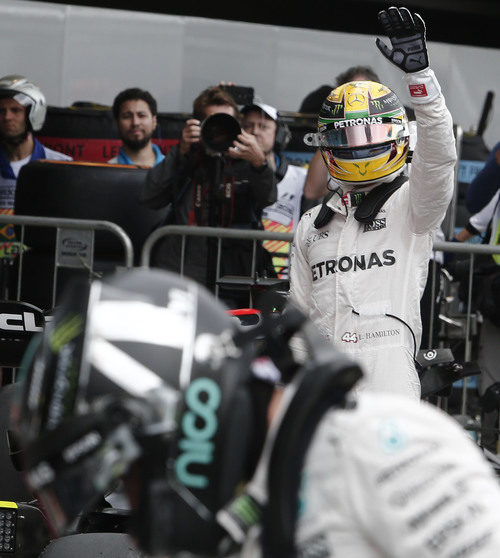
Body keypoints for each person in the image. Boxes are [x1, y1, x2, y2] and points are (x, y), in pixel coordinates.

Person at [11, 266, 500, 558]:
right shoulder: (241, 514)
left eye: (130, 480)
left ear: (183, 421)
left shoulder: (387, 450)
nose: (136, 517)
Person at [288, 6, 457, 400]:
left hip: (388, 376)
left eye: (372, 134)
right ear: (327, 144)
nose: (360, 146)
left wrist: (420, 79)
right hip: (321, 377)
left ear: (398, 134)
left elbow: (438, 158)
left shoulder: (412, 207)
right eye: (348, 138)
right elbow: (298, 319)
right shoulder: (312, 224)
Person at [140, 85, 277, 307]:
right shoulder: (185, 159)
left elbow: (268, 198)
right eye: (213, 124)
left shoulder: (247, 161)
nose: (220, 132)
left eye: (226, 124)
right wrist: (181, 152)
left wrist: (259, 163)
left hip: (234, 277)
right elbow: (149, 197)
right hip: (183, 274)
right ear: (197, 125)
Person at [241, 102, 309, 278]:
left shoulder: (301, 177)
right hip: (241, 272)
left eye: (263, 126)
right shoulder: (230, 174)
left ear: (279, 135)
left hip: (286, 277)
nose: (254, 131)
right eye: (248, 126)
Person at [0, 75, 71, 214]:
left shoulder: (62, 166)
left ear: (33, 114)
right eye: (1, 111)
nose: (7, 117)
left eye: (15, 110)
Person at [108, 87, 165, 167]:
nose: (135, 123)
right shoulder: (108, 171)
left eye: (141, 115)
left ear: (154, 121)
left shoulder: (172, 171)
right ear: (117, 124)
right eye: (127, 116)